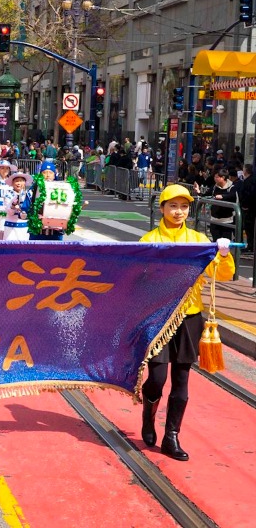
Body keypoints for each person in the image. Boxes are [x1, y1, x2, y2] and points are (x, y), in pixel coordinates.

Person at [139, 184, 234, 461]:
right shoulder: (149, 240)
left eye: (184, 206)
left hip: (190, 316)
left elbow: (224, 274)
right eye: (173, 206)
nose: (178, 211)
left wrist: (224, 254)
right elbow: (138, 279)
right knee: (156, 378)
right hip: (159, 317)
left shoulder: (197, 238)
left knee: (182, 378)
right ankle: (149, 414)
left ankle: (171, 437)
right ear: (162, 208)